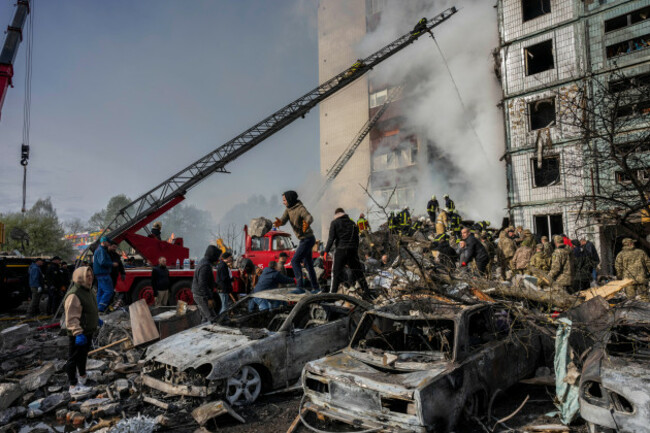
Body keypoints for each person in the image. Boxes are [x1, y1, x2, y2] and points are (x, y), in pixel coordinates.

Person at [63, 266, 101, 395]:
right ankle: (73, 385)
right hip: (79, 333)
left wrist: (96, 320)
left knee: (83, 355)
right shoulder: (74, 294)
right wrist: (77, 332)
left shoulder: (88, 290)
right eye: (87, 276)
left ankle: (83, 376)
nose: (90, 278)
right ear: (80, 278)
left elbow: (91, 309)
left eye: (91, 276)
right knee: (73, 357)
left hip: (87, 330)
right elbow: (71, 317)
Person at [273, 191, 319, 291]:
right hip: (304, 239)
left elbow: (309, 217)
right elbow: (283, 220)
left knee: (294, 261)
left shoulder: (300, 208)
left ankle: (300, 287)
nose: (283, 202)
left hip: (308, 239)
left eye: (284, 200)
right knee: (308, 264)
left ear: (290, 200)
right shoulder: (288, 210)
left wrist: (306, 223)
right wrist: (278, 223)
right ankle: (316, 288)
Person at [324, 208, 368, 294]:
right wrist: (354, 252)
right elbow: (357, 239)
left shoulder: (335, 223)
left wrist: (326, 252)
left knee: (335, 273)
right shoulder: (352, 223)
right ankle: (366, 291)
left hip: (341, 250)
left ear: (336, 215)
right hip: (352, 251)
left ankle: (332, 294)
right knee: (358, 272)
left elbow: (331, 239)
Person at [192, 245, 222, 323]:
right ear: (213, 256)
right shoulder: (205, 266)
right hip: (201, 295)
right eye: (217, 257)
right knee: (211, 317)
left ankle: (202, 332)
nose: (218, 260)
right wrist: (209, 298)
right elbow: (202, 284)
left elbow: (208, 280)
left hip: (199, 294)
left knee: (205, 317)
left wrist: (216, 285)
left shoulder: (204, 262)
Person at [93, 237, 114, 313]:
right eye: (108, 242)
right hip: (103, 274)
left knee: (101, 292)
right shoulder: (101, 250)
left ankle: (97, 307)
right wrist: (112, 264)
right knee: (109, 291)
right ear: (104, 242)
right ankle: (101, 308)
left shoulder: (99, 250)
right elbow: (102, 262)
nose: (109, 244)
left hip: (100, 274)